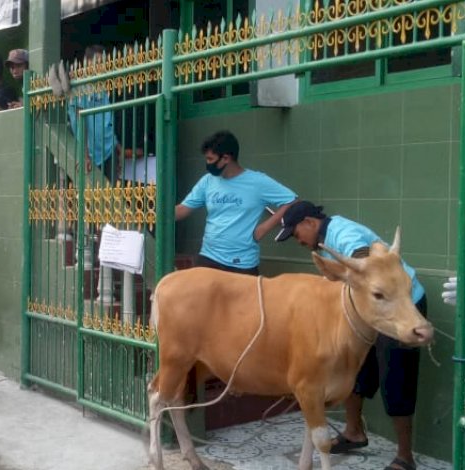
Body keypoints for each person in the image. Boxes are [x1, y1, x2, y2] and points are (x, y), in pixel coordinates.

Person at [275, 201, 427, 470]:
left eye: (296, 233)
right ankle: (354, 432)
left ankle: (405, 457)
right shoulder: (325, 240)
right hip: (365, 312)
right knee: (353, 370)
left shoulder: (344, 234)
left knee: (396, 379)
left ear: (310, 222)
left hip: (399, 309)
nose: (297, 240)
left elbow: (364, 263)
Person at [175, 130, 297, 275]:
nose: (207, 163)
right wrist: (152, 214)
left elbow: (292, 201)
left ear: (226, 158)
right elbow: (183, 209)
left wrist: (262, 229)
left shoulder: (257, 181)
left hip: (242, 263)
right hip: (208, 258)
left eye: (210, 159)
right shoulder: (207, 181)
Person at [66, 45, 120, 183]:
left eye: (104, 63)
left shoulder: (102, 87)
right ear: (86, 62)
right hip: (90, 153)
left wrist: (116, 146)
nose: (101, 67)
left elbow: (108, 120)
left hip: (109, 150)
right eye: (98, 63)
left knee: (111, 196)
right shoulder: (78, 86)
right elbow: (80, 121)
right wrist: (84, 155)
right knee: (92, 198)